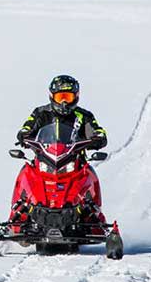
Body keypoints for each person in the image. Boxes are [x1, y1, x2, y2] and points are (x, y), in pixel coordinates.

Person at [11, 75, 109, 222]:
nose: (64, 102)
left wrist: (97, 138)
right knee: (26, 172)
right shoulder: (41, 113)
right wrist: (24, 135)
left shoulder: (83, 116)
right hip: (45, 159)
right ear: (52, 96)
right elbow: (27, 127)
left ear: (76, 97)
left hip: (74, 161)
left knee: (89, 174)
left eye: (67, 97)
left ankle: (94, 217)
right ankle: (17, 215)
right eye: (60, 97)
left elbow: (97, 130)